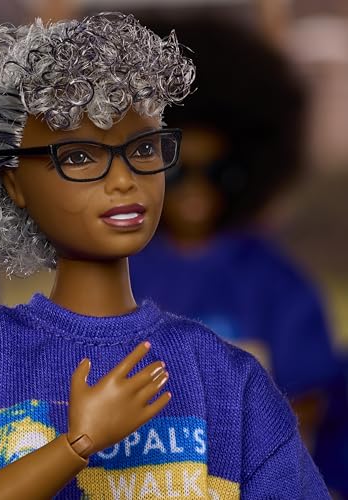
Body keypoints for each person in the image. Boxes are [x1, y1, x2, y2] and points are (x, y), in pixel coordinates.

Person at [0, 13, 329, 498]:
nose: (124, 179)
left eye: (143, 149)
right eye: (80, 157)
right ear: (13, 182)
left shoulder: (231, 383)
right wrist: (75, 446)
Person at [129, 14, 347, 495]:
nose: (197, 190)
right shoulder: (116, 269)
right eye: (178, 171)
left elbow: (304, 410)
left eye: (218, 171)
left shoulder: (276, 282)